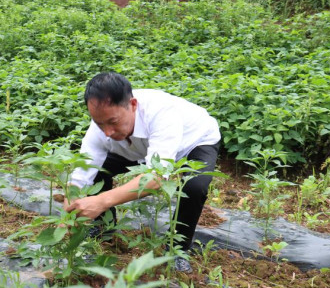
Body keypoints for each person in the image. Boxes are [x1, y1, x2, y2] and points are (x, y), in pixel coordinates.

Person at [64, 72, 220, 272]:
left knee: (194, 186)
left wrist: (101, 201)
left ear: (133, 105)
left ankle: (177, 251)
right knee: (98, 171)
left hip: (194, 141)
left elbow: (155, 177)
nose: (107, 132)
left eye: (113, 122)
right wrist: (68, 209)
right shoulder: (102, 127)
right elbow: (83, 172)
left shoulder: (162, 114)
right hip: (141, 147)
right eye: (99, 123)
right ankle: (103, 227)